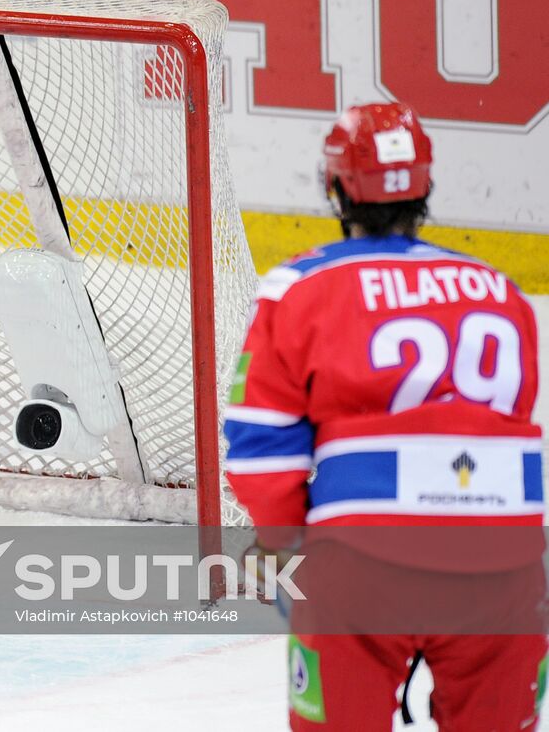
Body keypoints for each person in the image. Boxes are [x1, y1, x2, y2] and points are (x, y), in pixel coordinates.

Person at [222, 103, 544, 730]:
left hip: (363, 565)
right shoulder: (500, 289)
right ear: (426, 188)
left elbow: (264, 442)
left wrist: (282, 543)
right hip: (505, 566)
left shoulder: (300, 287)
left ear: (334, 188)